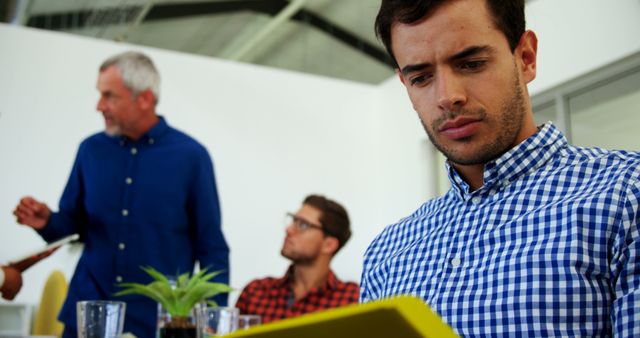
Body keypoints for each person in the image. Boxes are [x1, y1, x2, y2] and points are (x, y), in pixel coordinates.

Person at [361, 0, 640, 336]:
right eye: (421, 77)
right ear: (406, 85)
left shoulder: (626, 196)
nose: (448, 96)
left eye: (471, 63)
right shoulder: (386, 254)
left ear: (525, 58)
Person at [13, 51, 229, 338]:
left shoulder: (191, 157)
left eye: (109, 96)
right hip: (87, 315)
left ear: (145, 99)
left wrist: (213, 320)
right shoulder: (90, 150)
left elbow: (211, 245)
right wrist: (46, 222)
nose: (99, 106)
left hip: (158, 323)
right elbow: (71, 226)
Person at [235, 195, 359, 323]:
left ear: (328, 244)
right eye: (293, 220)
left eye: (303, 225)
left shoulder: (353, 300)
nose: (289, 229)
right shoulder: (255, 292)